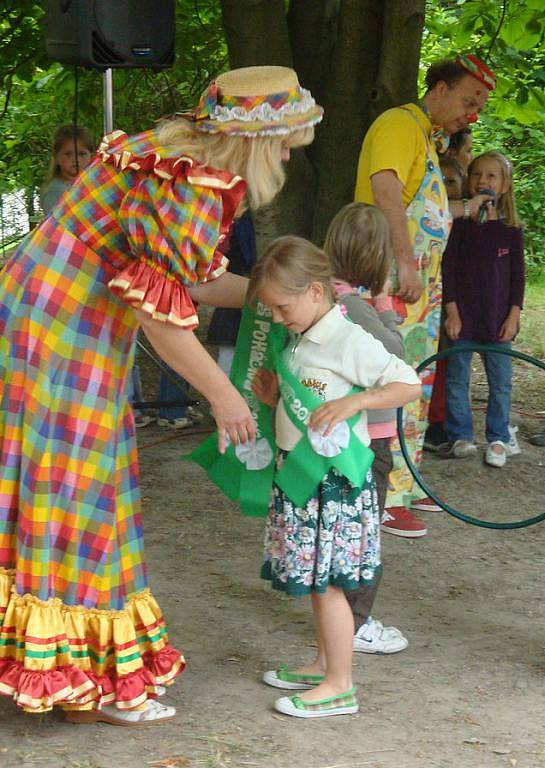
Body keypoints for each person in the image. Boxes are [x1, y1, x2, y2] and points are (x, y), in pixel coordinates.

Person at [0, 66, 323, 725]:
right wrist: (225, 400)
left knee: (80, 487)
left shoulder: (169, 157)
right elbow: (160, 317)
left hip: (49, 317)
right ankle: (82, 682)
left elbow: (192, 281)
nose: (289, 155)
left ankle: (87, 672)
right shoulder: (194, 189)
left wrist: (291, 294)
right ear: (257, 142)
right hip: (66, 334)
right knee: (80, 492)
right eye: (286, 141)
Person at [249, 236, 421, 718]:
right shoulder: (300, 337)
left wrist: (358, 402)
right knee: (317, 581)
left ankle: (340, 685)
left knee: (328, 584)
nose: (279, 318)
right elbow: (309, 410)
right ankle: (326, 663)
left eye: (283, 307)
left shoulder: (348, 339)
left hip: (335, 486)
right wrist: (274, 400)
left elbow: (408, 382)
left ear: (317, 292)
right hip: (305, 479)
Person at [354, 54, 496, 537]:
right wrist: (404, 261)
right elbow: (386, 189)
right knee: (393, 382)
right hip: (391, 282)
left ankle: (407, 481)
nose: (472, 114)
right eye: (468, 100)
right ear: (438, 88)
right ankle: (385, 495)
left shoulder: (425, 138)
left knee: (416, 384)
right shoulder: (398, 123)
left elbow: (426, 208)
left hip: (419, 291)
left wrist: (462, 207)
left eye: (478, 106)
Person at [324, 202, 408, 651]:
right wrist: (385, 305)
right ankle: (356, 622)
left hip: (339, 437)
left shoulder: (325, 297)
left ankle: (340, 616)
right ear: (379, 262)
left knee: (341, 528)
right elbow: (395, 355)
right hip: (366, 441)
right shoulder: (355, 307)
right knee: (365, 532)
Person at [441, 150, 524, 468]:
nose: (482, 181)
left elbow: (518, 276)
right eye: (476, 174)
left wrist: (514, 313)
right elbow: (448, 269)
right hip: (463, 318)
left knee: (500, 382)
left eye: (491, 176)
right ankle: (461, 434)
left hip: (498, 320)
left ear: (504, 185)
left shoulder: (511, 229)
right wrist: (452, 311)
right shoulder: (459, 226)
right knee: (457, 378)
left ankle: (498, 438)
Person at [423, 155, 467, 453]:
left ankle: (439, 420)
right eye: (441, 181)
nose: (446, 188)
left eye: (451, 182)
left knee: (448, 361)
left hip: (456, 302)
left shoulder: (466, 222)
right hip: (430, 295)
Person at [207, 210, 257, 377]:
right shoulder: (235, 221)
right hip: (230, 282)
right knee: (228, 351)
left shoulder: (241, 220)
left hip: (235, 281)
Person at [39, 124, 95, 216]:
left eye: (82, 154)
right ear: (56, 157)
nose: (76, 159)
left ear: (91, 157)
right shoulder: (54, 192)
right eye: (68, 154)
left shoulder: (95, 186)